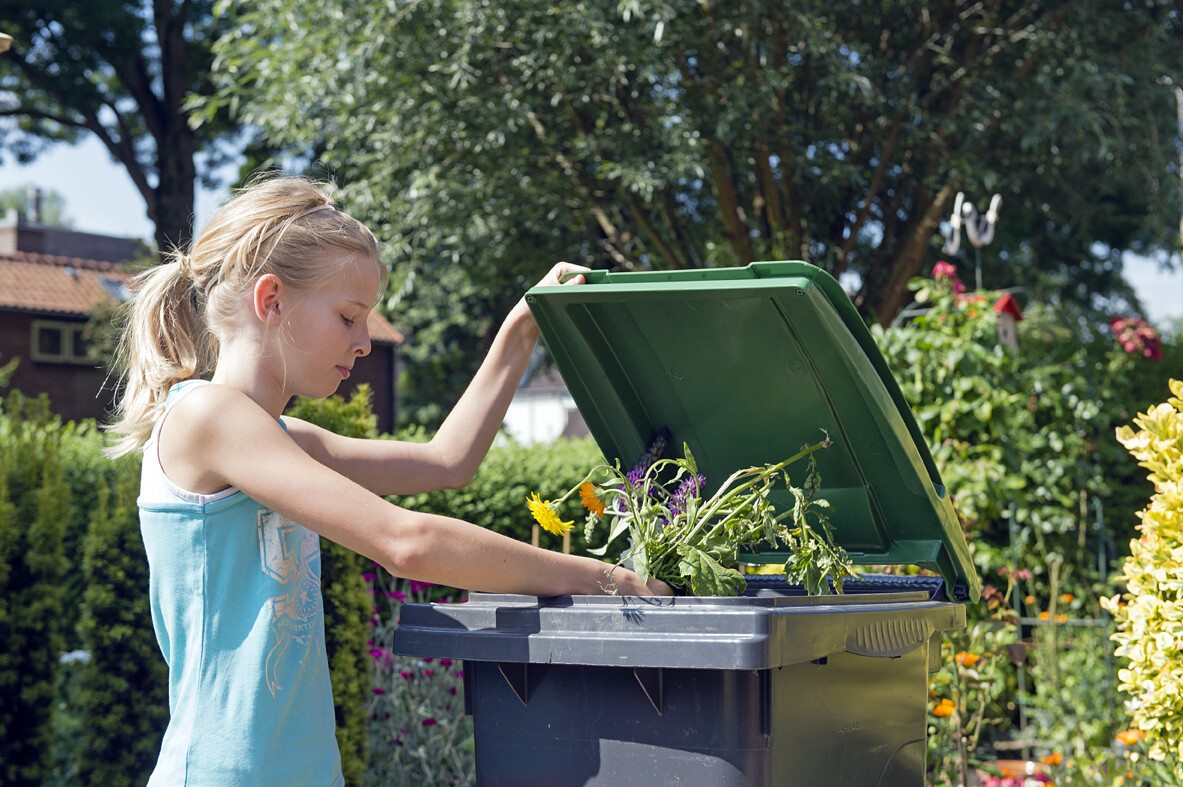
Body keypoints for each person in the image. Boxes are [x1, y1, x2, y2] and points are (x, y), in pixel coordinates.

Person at [105, 174, 668, 786]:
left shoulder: (287, 440)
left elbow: (448, 463)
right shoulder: (205, 416)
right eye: (349, 317)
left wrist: (520, 330)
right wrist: (606, 581)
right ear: (271, 301)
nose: (365, 342)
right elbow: (407, 543)